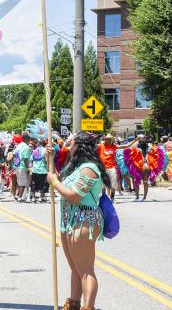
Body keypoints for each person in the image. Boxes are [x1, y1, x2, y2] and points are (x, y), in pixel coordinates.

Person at [46, 132, 111, 310]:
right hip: (70, 221)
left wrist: (54, 181)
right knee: (75, 268)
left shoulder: (90, 168)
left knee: (85, 271)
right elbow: (59, 180)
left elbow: (73, 195)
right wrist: (50, 160)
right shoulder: (77, 167)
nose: (69, 146)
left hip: (84, 221)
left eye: (71, 143)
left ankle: (88, 307)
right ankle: (73, 304)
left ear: (80, 146)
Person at [97, 134, 136, 202]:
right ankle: (103, 198)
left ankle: (112, 198)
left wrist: (135, 140)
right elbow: (92, 145)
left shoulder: (114, 146)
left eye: (108, 139)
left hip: (112, 168)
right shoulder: (101, 145)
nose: (107, 140)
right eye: (106, 139)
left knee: (113, 184)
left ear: (111, 140)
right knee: (103, 185)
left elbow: (125, 146)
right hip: (102, 168)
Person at [13, 131, 31, 202]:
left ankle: (17, 196)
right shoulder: (26, 147)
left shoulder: (19, 145)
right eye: (29, 138)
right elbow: (26, 158)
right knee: (23, 183)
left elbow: (14, 154)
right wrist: (27, 168)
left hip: (17, 166)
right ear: (26, 138)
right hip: (23, 166)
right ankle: (20, 198)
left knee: (19, 182)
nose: (30, 139)